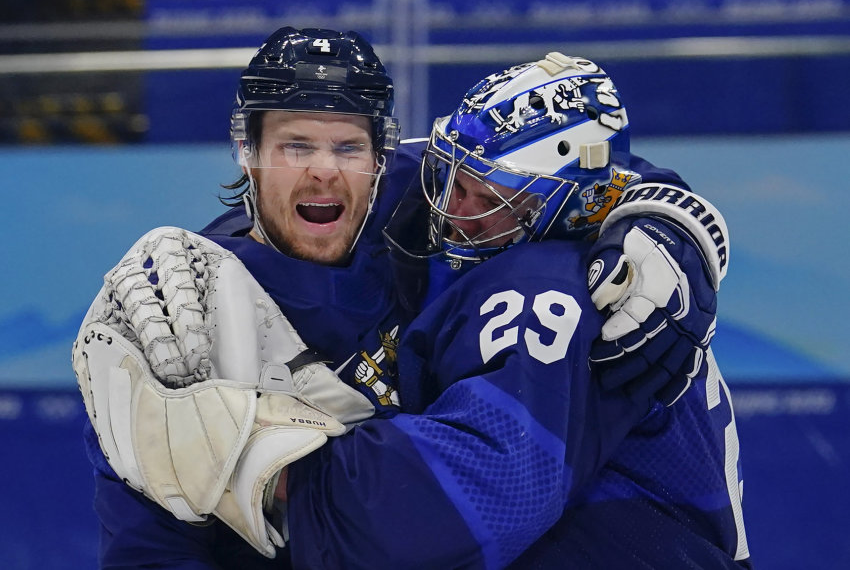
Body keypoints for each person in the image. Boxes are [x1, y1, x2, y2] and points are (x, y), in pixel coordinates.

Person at [72, 29, 738, 569]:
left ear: (379, 154)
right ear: (247, 152)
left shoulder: (553, 278)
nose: (324, 169)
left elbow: (475, 502)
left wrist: (669, 217)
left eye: (346, 146)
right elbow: (148, 526)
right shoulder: (179, 299)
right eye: (294, 144)